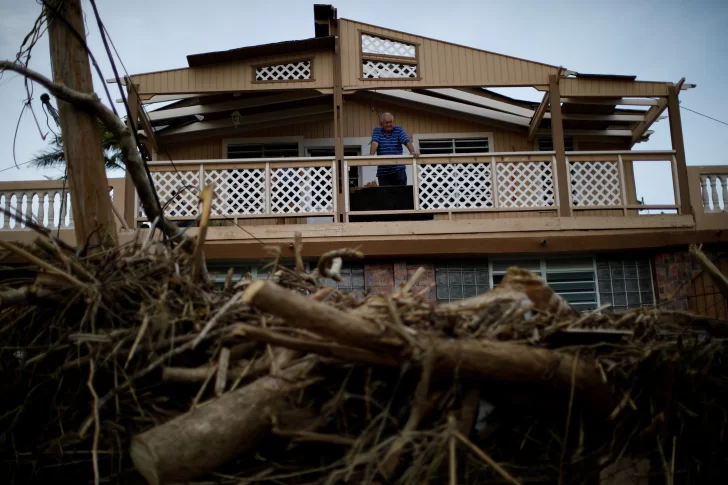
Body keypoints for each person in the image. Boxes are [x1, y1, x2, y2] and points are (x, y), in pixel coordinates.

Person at [369, 112, 419, 186]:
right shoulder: (377, 131)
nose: (389, 124)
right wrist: (371, 155)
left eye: (391, 122)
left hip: (398, 169)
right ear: (381, 123)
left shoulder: (398, 130)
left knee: (401, 193)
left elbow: (406, 141)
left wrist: (413, 152)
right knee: (385, 196)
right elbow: (375, 142)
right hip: (383, 171)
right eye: (386, 122)